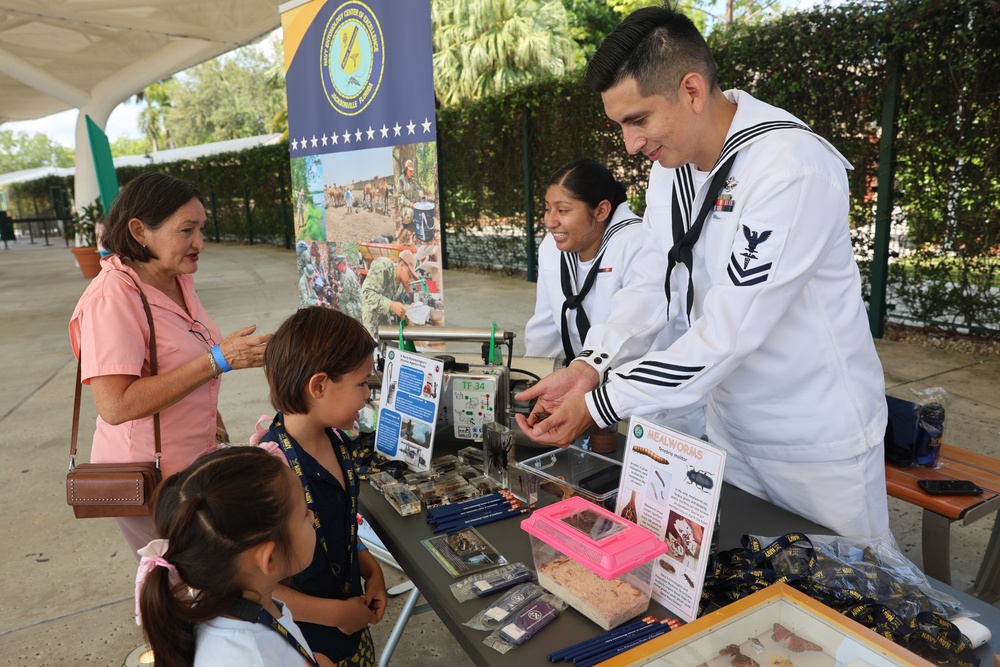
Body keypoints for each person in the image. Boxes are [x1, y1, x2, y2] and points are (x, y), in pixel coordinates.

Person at [516, 6, 889, 541]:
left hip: (813, 445)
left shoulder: (788, 167)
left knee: (854, 601)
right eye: (620, 124)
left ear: (691, 91)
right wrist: (591, 365)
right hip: (729, 434)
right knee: (754, 592)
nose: (630, 144)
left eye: (637, 120)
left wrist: (602, 402)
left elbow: (728, 331)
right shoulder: (673, 171)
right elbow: (655, 285)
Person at [69, 172, 272, 558]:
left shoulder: (176, 280)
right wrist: (219, 360)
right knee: (182, 587)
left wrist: (215, 431)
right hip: (148, 481)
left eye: (201, 229)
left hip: (189, 468)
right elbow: (115, 405)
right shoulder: (113, 297)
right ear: (139, 230)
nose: (200, 242)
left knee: (208, 582)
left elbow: (186, 368)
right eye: (186, 230)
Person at [257, 307, 386, 665]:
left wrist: (370, 569)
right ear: (319, 385)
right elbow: (256, 581)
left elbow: (338, 524)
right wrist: (335, 615)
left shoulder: (337, 440)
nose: (367, 396)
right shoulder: (271, 471)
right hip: (308, 647)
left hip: (352, 631)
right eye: (361, 384)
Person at [136, 447, 325, 667]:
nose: (311, 517)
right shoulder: (249, 657)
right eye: (304, 514)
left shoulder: (238, 609)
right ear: (269, 558)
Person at [360, 249, 418, 339]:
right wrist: (390, 305)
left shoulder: (401, 285)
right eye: (409, 275)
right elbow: (367, 293)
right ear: (401, 265)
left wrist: (408, 307)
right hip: (371, 322)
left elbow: (398, 302)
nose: (410, 279)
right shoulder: (383, 266)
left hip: (384, 322)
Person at [396, 159, 422, 226]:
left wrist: (421, 194)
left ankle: (413, 217)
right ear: (405, 170)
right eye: (410, 171)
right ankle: (405, 221)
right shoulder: (401, 180)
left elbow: (418, 189)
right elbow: (400, 195)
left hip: (413, 203)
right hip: (405, 205)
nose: (411, 173)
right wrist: (409, 203)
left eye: (412, 171)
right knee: (410, 214)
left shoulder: (413, 180)